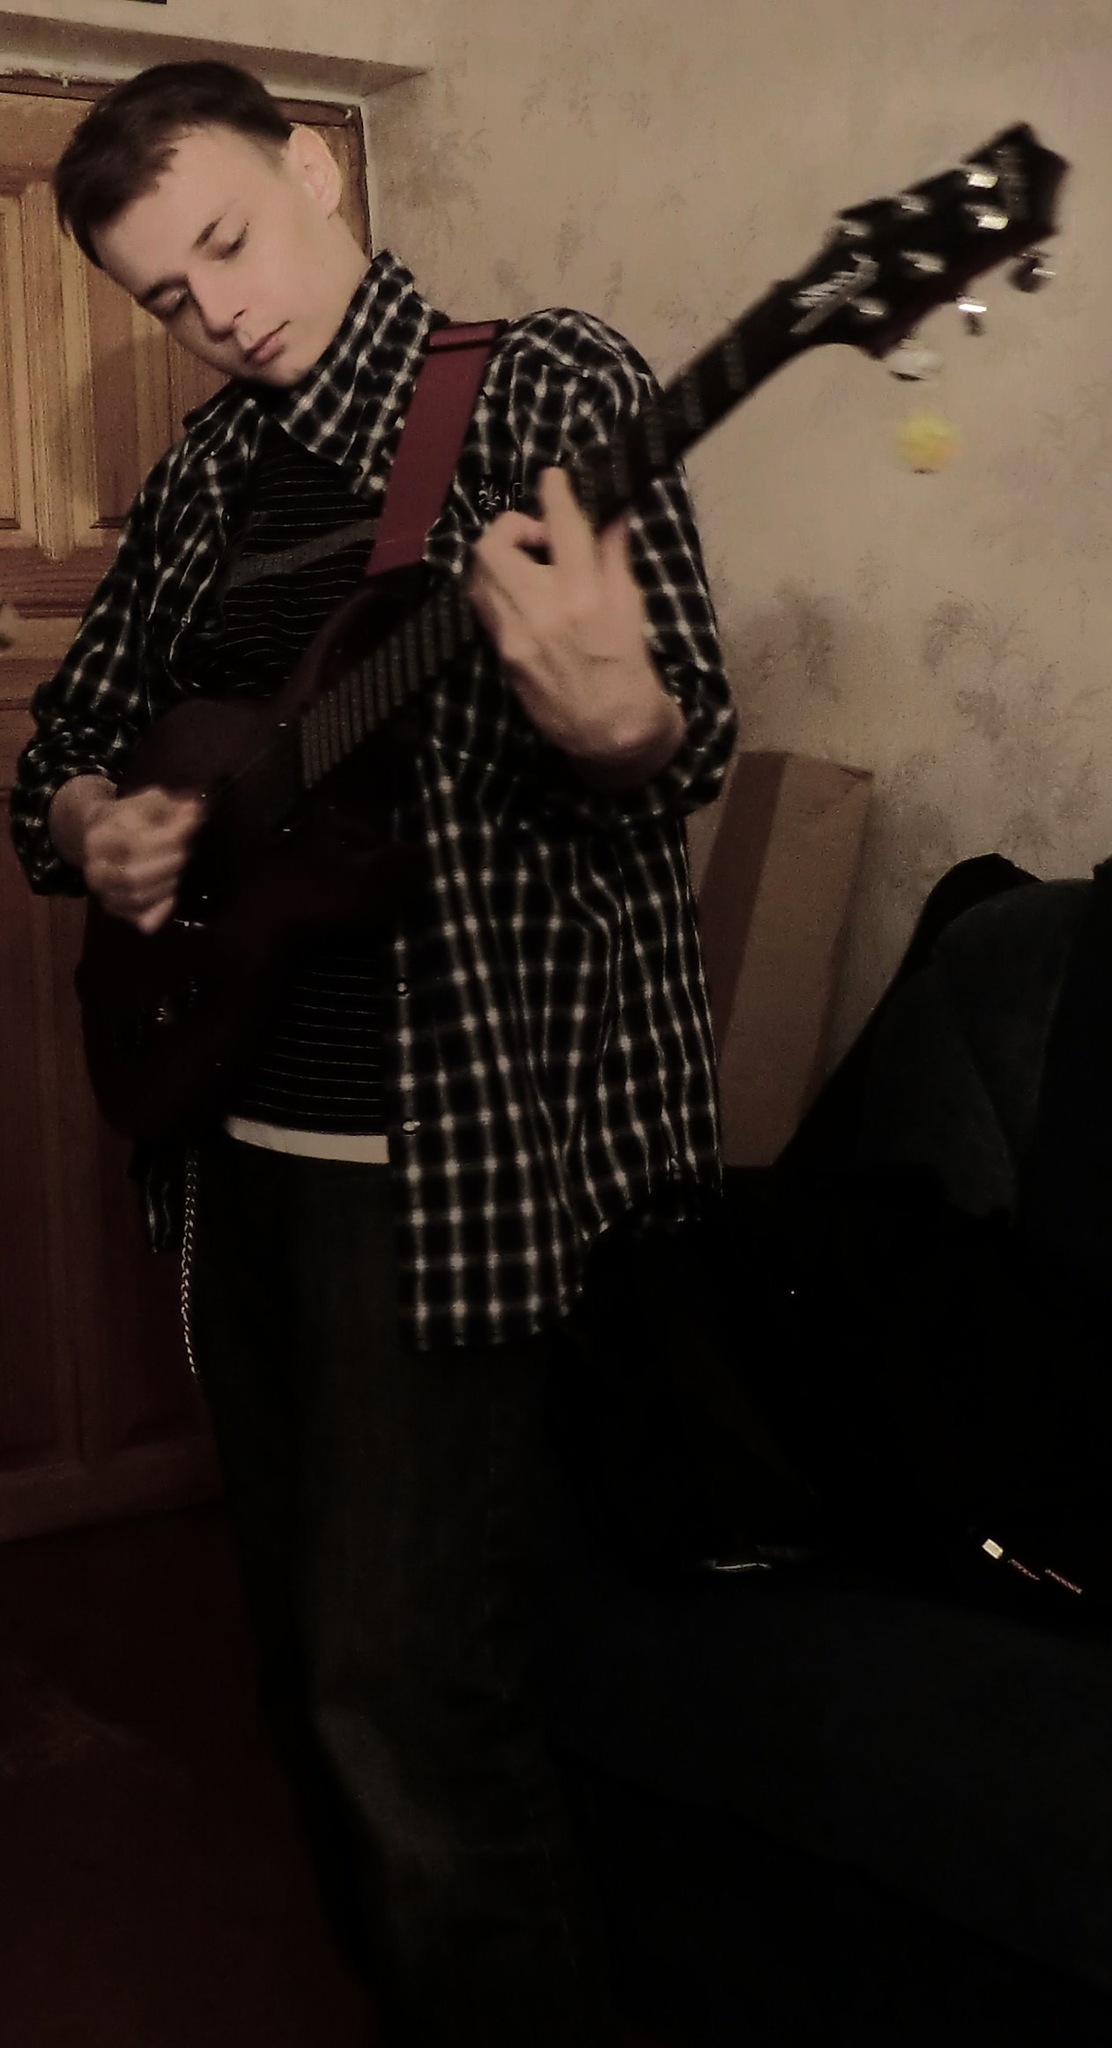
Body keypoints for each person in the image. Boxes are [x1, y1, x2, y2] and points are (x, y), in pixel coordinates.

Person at [9, 61, 737, 2048]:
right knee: (295, 1650)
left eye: (229, 243)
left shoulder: (539, 391)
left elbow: (674, 733)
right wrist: (93, 823)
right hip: (230, 1136)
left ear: (315, 166)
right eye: (171, 295)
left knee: (400, 1687)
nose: (223, 310)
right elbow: (65, 741)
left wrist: (615, 721)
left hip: (448, 1154)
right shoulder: (205, 479)